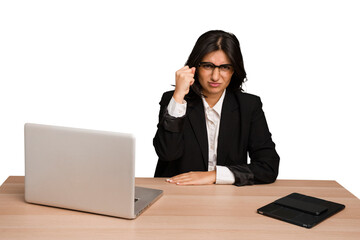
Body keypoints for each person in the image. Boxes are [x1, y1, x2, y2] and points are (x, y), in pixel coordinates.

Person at [153, 30, 280, 186]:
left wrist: (214, 175)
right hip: (178, 194)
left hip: (227, 198)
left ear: (234, 69)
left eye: (225, 67)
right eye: (207, 66)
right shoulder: (174, 101)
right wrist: (178, 96)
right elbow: (168, 153)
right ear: (195, 68)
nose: (215, 76)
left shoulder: (249, 106)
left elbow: (268, 166)